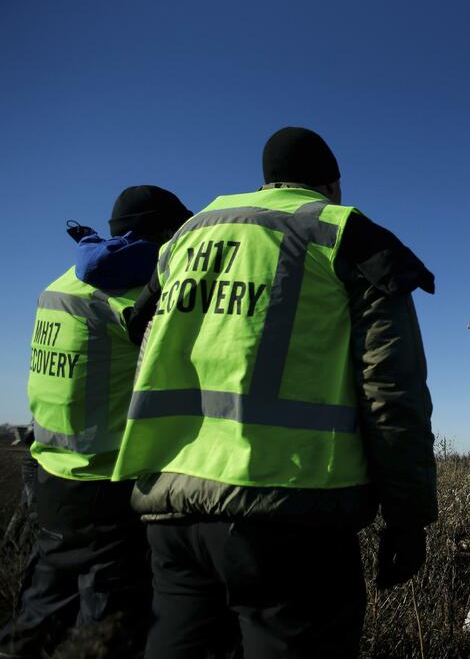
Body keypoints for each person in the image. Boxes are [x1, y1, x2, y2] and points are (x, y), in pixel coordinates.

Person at [112, 127, 437, 659]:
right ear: (332, 184)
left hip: (172, 513)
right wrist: (407, 517)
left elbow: (138, 331)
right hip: (290, 517)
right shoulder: (345, 235)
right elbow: (391, 391)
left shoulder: (187, 237)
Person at [1, 187, 191, 659]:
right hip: (107, 484)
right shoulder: (139, 294)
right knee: (106, 630)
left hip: (49, 478)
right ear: (166, 234)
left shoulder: (63, 283)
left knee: (40, 613)